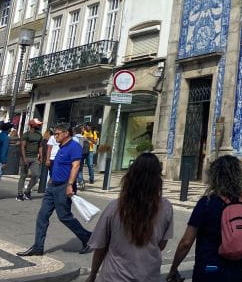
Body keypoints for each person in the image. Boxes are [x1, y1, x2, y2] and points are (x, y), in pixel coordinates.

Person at [85, 153, 173, 282]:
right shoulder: (166, 208)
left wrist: (93, 274)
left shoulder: (114, 207)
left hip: (114, 276)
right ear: (158, 179)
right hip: (148, 276)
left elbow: (100, 246)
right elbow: (162, 244)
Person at [167, 155, 242, 282]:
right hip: (239, 268)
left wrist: (173, 268)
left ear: (215, 177)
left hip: (210, 269)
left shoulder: (207, 203)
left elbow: (186, 242)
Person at [16, 123, 92, 257]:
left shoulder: (74, 147)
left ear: (66, 133)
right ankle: (38, 247)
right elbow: (59, 165)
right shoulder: (61, 146)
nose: (55, 136)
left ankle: (88, 238)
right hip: (52, 186)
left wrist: (70, 185)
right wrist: (52, 179)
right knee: (42, 216)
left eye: (57, 134)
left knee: (64, 217)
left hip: (64, 186)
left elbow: (75, 166)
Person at [18, 118, 43, 200]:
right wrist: (24, 158)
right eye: (38, 124)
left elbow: (40, 146)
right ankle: (20, 194)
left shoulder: (39, 135)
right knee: (23, 176)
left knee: (36, 175)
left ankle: (27, 191)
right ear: (33, 125)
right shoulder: (26, 134)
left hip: (35, 158)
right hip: (26, 157)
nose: (39, 125)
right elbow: (22, 147)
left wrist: (41, 157)